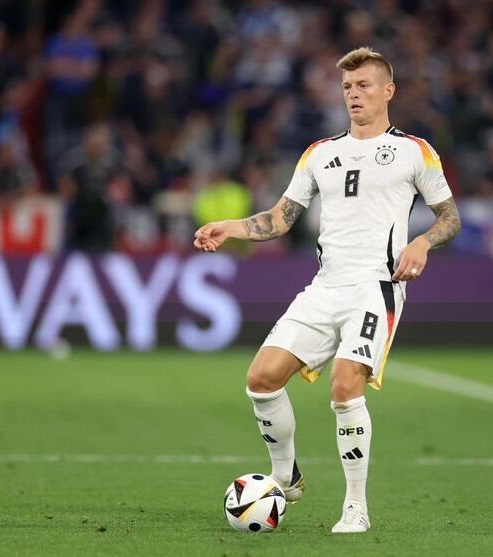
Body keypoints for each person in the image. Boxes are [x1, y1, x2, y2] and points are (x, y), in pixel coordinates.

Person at [193, 47, 461, 533]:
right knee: (261, 378)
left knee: (344, 387)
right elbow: (279, 218)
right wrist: (230, 227)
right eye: (347, 88)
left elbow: (450, 217)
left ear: (388, 91)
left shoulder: (414, 151)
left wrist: (421, 242)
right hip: (324, 286)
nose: (354, 95)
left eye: (363, 86)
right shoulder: (320, 153)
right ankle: (285, 476)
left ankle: (355, 505)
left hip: (375, 287)